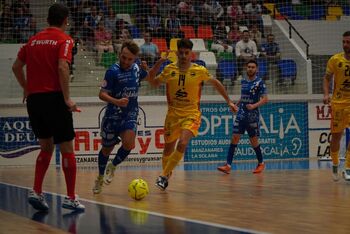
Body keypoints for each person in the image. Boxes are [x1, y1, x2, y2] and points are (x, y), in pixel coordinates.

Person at [11, 3, 84, 211]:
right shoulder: (65, 40)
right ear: (65, 20)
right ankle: (70, 197)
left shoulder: (33, 40)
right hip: (54, 98)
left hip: (34, 101)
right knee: (67, 149)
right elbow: (62, 66)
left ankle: (37, 191)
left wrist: (26, 88)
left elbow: (16, 66)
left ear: (47, 19)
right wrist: (67, 98)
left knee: (46, 147)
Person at [147, 38, 237, 190]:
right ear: (176, 53)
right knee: (168, 148)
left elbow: (216, 83)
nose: (183, 56)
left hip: (192, 114)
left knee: (183, 142)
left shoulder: (199, 70)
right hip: (173, 115)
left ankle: (163, 176)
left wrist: (228, 101)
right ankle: (166, 175)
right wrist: (158, 63)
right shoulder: (169, 69)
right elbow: (153, 82)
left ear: (191, 54)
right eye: (180, 53)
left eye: (186, 53)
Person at [92, 40, 150, 194]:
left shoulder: (137, 68)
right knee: (106, 149)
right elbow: (101, 94)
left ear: (135, 59)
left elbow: (145, 76)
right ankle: (99, 176)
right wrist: (116, 101)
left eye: (129, 59)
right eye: (123, 57)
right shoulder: (112, 71)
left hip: (130, 114)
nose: (125, 61)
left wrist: (146, 69)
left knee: (129, 144)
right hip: (112, 117)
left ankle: (113, 166)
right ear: (120, 54)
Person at [217, 60, 268, 174]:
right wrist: (236, 105)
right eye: (249, 67)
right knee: (234, 137)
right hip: (241, 114)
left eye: (253, 67)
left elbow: (265, 99)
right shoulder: (243, 81)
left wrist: (254, 105)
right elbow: (243, 96)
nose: (250, 69)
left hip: (252, 116)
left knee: (253, 140)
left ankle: (261, 163)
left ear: (257, 69)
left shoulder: (260, 82)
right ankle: (228, 165)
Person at [323, 31, 350, 182]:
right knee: (336, 137)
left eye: (348, 42)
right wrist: (326, 94)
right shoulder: (335, 59)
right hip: (338, 104)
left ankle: (348, 168)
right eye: (344, 42)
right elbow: (327, 78)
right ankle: (335, 163)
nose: (345, 45)